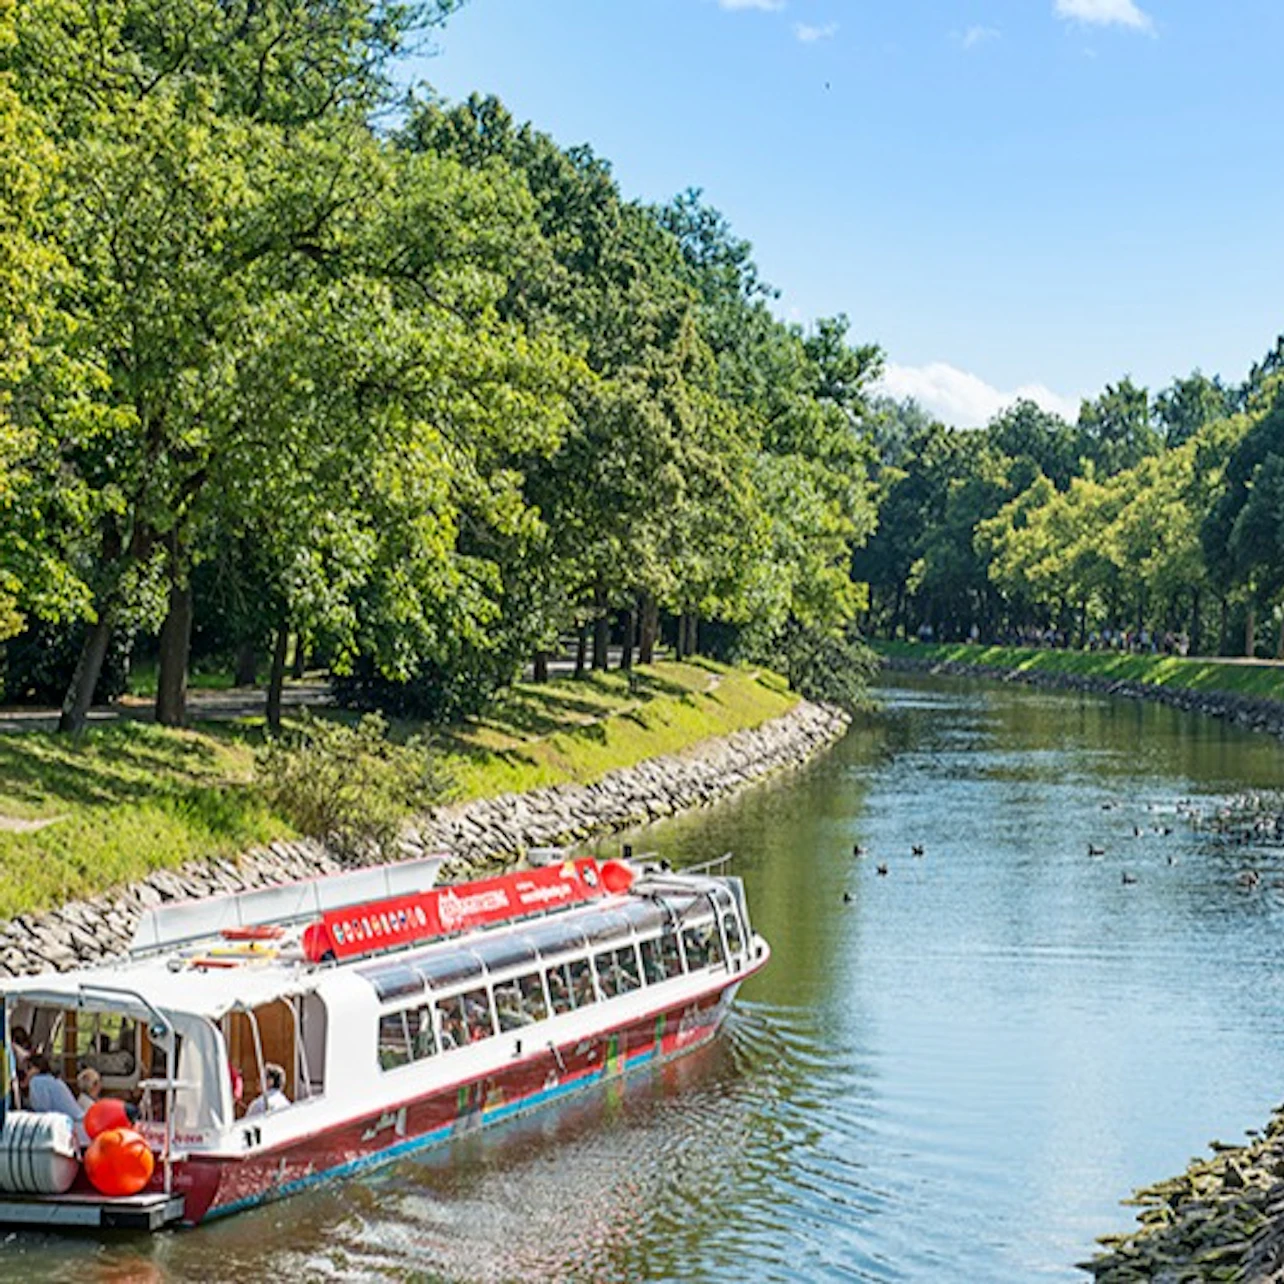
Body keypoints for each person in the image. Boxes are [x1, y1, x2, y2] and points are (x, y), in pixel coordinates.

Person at [24, 1054, 85, 1127]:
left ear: (36, 1068)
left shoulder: (37, 1081)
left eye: (28, 1068)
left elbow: (42, 1111)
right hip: (78, 1121)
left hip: (70, 1125)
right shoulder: (52, 1080)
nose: (26, 1073)